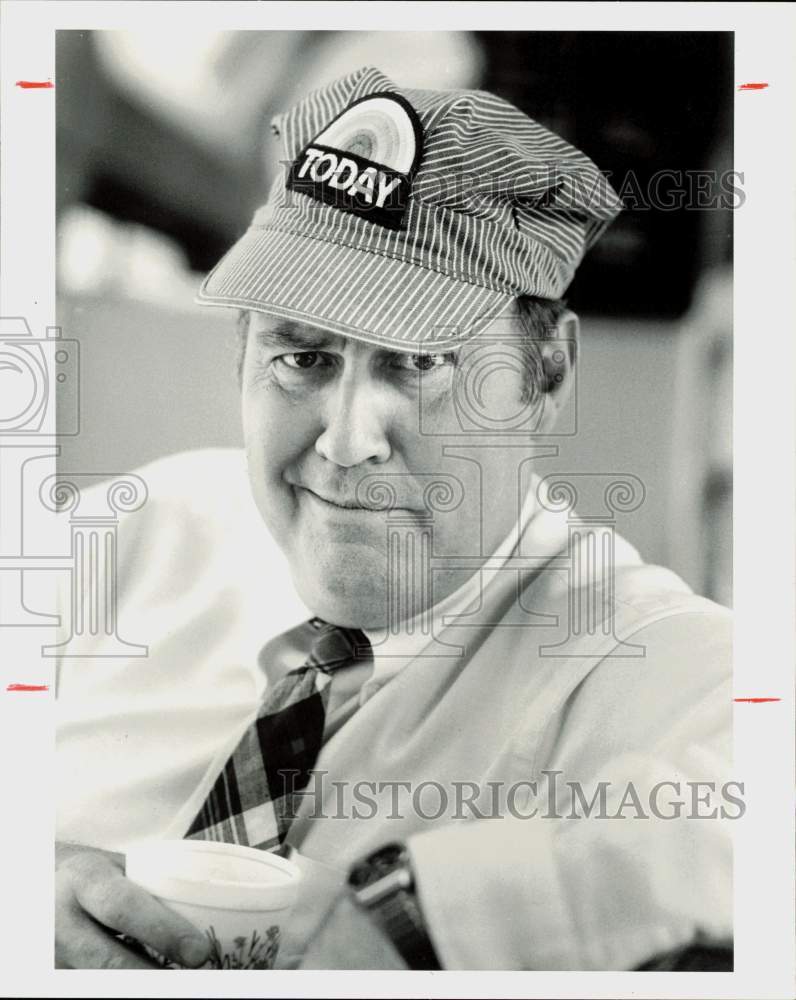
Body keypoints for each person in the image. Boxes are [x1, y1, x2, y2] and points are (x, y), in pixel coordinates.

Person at [55, 66, 733, 971]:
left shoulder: (654, 661)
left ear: (548, 376)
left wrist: (415, 918)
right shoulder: (127, 538)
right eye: (300, 355)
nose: (345, 439)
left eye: (419, 362)